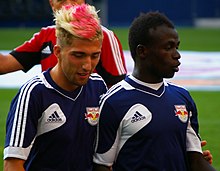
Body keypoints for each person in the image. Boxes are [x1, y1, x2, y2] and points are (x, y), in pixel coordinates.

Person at [93, 11, 216, 171]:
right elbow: (101, 165)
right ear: (142, 51)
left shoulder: (182, 97)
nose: (177, 55)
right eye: (168, 47)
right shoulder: (113, 102)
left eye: (177, 47)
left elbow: (196, 162)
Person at [4, 4, 107, 171]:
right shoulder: (34, 93)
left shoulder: (98, 86)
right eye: (78, 55)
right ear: (58, 52)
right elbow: (12, 165)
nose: (87, 66)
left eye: (95, 55)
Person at [0, 0, 127, 87]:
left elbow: (119, 89)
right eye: (61, 0)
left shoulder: (103, 36)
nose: (69, 5)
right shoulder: (45, 35)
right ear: (52, 5)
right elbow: (3, 65)